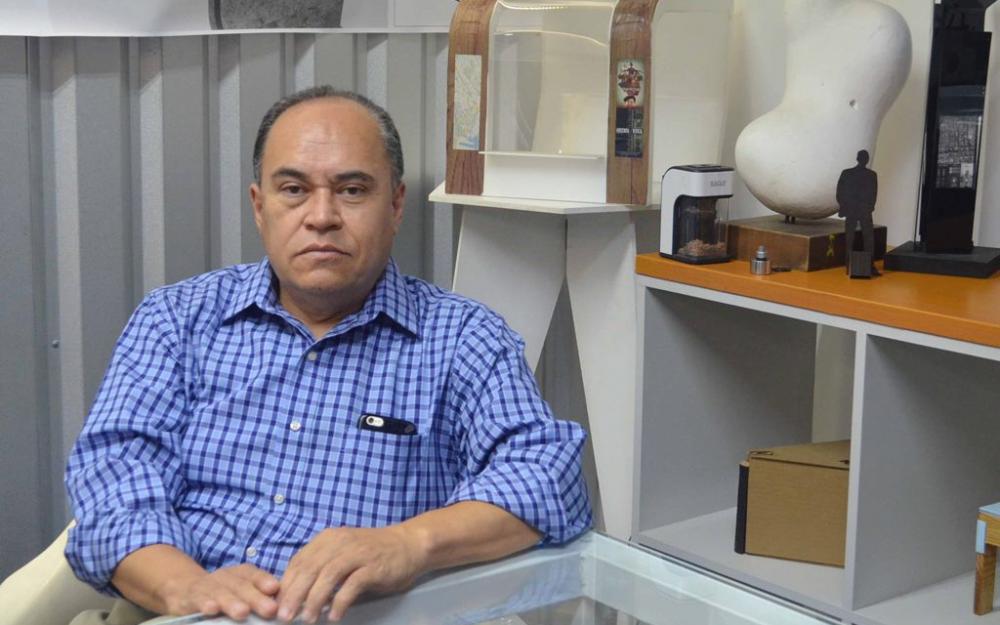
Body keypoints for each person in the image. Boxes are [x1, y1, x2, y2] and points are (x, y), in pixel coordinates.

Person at [64, 86, 591, 625]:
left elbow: (549, 480)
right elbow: (112, 481)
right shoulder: (178, 320)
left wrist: (409, 544)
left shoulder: (462, 339)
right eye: (294, 189)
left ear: (395, 206)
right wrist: (189, 589)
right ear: (259, 206)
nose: (322, 216)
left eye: (352, 190)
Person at [836, 149, 880, 276]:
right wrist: (869, 207)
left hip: (853, 210)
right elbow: (873, 194)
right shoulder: (871, 175)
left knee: (851, 238)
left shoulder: (847, 173)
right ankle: (869, 266)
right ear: (867, 160)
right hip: (863, 210)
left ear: (857, 158)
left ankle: (849, 265)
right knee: (867, 239)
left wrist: (845, 206)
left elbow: (840, 193)